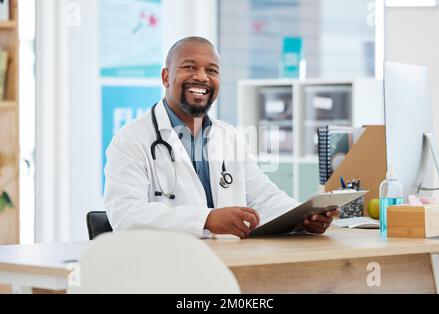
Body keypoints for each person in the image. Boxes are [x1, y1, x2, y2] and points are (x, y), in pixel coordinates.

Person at [104, 36, 339, 239]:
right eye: (189, 67)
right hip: (164, 268)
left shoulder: (230, 137)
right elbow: (126, 215)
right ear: (166, 77)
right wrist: (206, 219)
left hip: (229, 263)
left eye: (212, 70)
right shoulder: (131, 141)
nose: (202, 77)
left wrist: (303, 217)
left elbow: (263, 199)